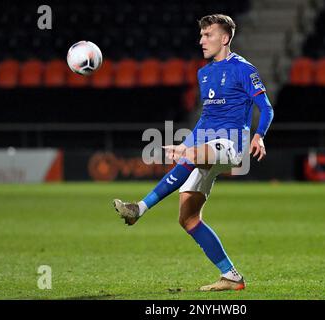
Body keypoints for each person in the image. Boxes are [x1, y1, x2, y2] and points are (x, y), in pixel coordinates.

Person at [113, 14, 274, 291]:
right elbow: (206, 119)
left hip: (231, 146)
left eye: (207, 35)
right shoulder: (204, 73)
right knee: (188, 219)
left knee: (194, 155)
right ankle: (231, 276)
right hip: (206, 145)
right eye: (201, 35)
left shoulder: (244, 70)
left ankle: (139, 208)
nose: (201, 41)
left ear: (224, 38)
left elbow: (267, 108)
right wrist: (188, 145)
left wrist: (259, 136)